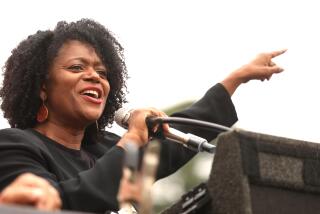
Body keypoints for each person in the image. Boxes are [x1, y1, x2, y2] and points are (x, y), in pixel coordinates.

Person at [0, 18, 286, 213]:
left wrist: (234, 80)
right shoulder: (14, 147)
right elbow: (67, 202)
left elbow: (168, 149)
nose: (94, 78)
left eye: (102, 72)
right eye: (77, 68)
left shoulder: (106, 148)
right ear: (41, 86)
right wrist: (134, 138)